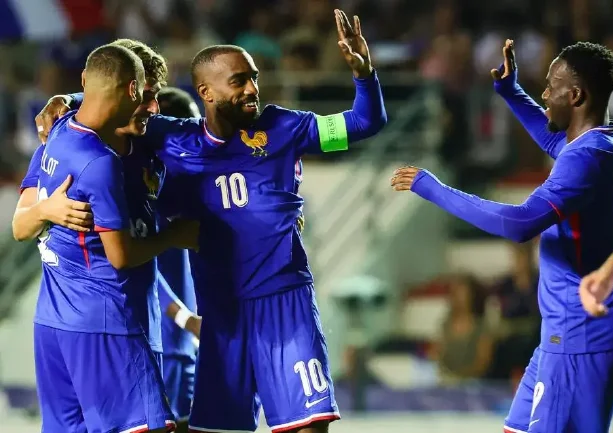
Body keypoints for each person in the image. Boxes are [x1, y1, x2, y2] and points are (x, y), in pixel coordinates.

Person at [36, 9, 386, 433]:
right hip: (221, 316)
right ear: (206, 91)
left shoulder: (285, 127)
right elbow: (111, 104)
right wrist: (69, 100)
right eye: (239, 81)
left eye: (254, 78)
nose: (252, 89)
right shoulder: (172, 139)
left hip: (285, 304)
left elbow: (365, 121)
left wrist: (364, 74)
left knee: (309, 426)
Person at [391, 40, 613, 433]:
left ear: (575, 95)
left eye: (551, 87)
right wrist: (511, 91)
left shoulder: (587, 159)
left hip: (578, 330)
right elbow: (557, 142)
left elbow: (520, 224)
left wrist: (432, 188)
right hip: (571, 328)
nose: (545, 94)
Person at [15, 44, 198, 433]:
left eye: (156, 97)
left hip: (72, 320)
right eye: (145, 95)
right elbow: (21, 227)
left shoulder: (78, 132)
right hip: (109, 323)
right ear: (128, 90)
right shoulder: (91, 156)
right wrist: (45, 210)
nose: (152, 108)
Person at [156, 86, 203, 432]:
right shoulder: (150, 188)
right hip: (169, 341)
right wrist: (185, 319)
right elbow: (137, 266)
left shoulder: (188, 184)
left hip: (186, 339)